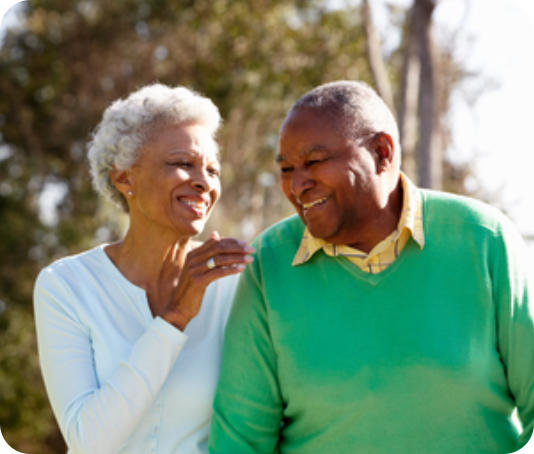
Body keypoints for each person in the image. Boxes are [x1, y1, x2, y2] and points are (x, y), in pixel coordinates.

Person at [209, 80, 534, 453]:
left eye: (314, 162)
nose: (297, 184)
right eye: (286, 168)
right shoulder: (269, 263)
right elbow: (240, 441)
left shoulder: (483, 238)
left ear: (382, 152)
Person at [33, 83, 254, 454]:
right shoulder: (66, 285)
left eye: (212, 170)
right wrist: (175, 319)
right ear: (124, 177)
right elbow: (89, 442)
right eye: (183, 163)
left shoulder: (235, 284)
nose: (203, 182)